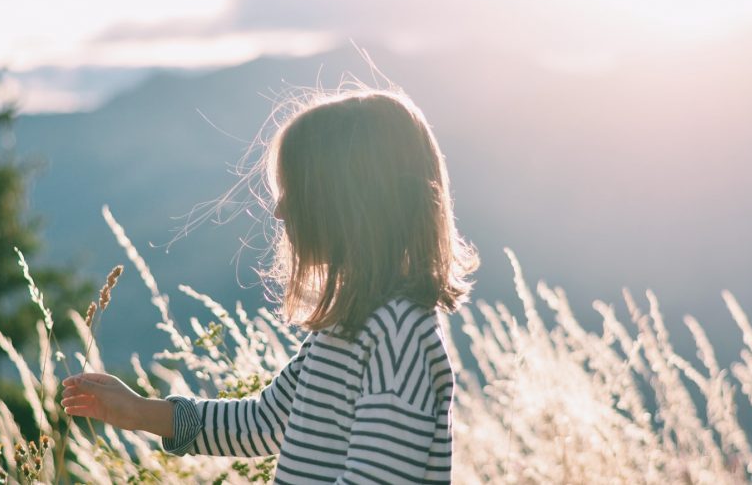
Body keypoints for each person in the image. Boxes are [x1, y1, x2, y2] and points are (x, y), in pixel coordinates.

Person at [60, 86, 479, 484]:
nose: (279, 211)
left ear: (349, 206)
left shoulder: (398, 333)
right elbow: (264, 421)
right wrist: (137, 412)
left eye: (296, 192)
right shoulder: (345, 326)